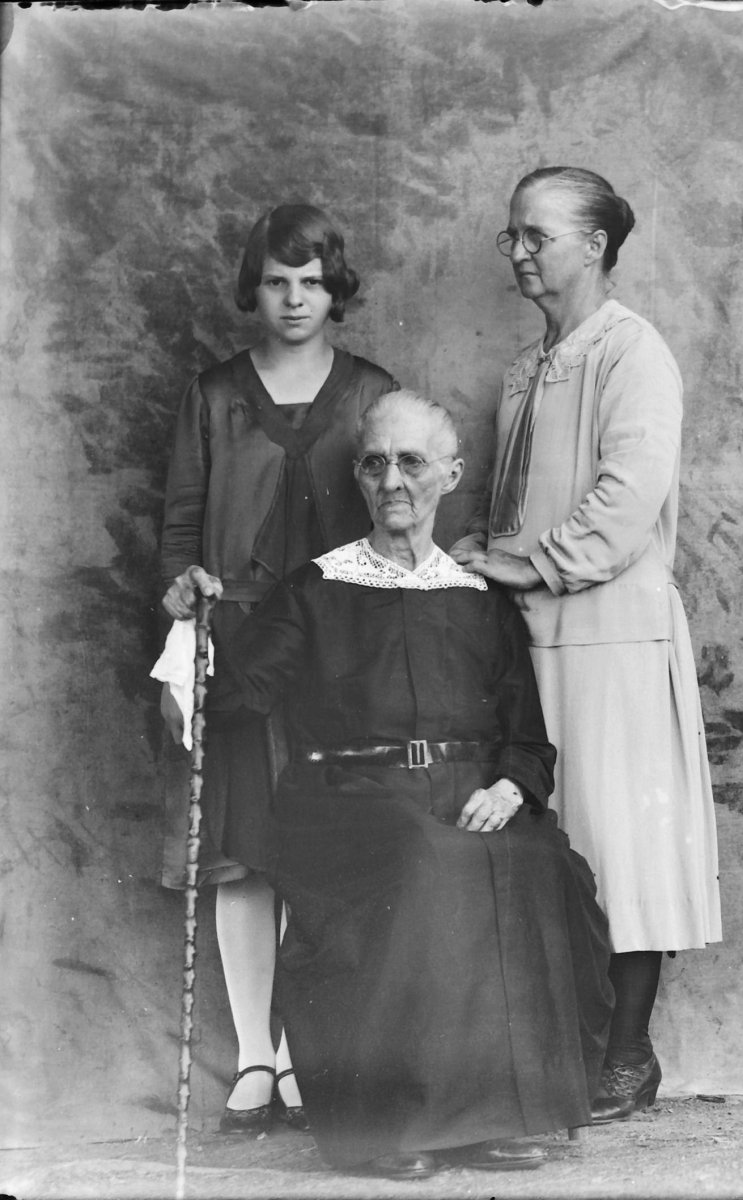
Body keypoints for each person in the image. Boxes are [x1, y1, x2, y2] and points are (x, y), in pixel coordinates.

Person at [198, 390, 616, 1178]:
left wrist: (509, 790)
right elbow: (238, 696)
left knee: (534, 862)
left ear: (450, 475)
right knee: (423, 862)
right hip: (346, 801)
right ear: (358, 477)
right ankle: (383, 1128)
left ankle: (489, 1117)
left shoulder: (479, 601)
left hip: (468, 794)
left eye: (411, 463)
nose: (392, 481)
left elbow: (527, 738)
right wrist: (194, 630)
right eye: (374, 463)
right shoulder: (314, 587)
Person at [451, 167, 722, 1120]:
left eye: (537, 235)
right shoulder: (523, 370)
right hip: (531, 636)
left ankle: (627, 1056)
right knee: (551, 835)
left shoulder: (631, 350)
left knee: (622, 841)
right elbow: (512, 501)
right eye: (513, 236)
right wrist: (479, 552)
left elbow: (627, 498)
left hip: (612, 637)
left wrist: (526, 565)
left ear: (595, 246)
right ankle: (566, 1047)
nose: (519, 252)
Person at [158, 203, 397, 1133]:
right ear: (251, 290)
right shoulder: (213, 395)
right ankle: (256, 1057)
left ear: (336, 290)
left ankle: (307, 1050)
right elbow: (182, 527)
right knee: (243, 854)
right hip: (244, 645)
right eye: (275, 282)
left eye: (312, 282)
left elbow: (402, 519)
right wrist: (183, 590)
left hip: (339, 648)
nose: (295, 299)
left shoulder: (371, 390)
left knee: (323, 846)